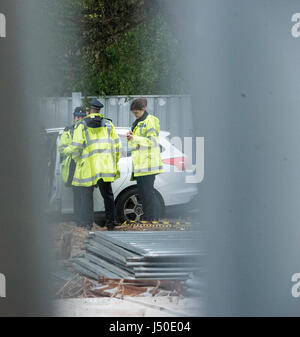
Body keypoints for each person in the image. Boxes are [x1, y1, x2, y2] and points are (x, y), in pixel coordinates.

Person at [63, 99, 121, 230]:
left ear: (88, 111)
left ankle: (87, 224)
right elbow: (117, 146)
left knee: (86, 197)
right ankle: (110, 224)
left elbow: (76, 147)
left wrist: (73, 157)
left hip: (88, 167)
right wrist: (114, 163)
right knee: (108, 196)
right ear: (99, 110)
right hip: (105, 167)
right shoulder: (108, 124)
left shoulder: (81, 125)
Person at [126, 98, 163, 221]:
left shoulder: (150, 121)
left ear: (143, 109)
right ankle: (147, 218)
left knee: (148, 194)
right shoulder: (137, 122)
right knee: (142, 194)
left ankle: (152, 219)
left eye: (137, 112)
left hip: (148, 164)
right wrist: (131, 139)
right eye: (133, 113)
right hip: (140, 165)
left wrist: (135, 138)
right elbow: (136, 145)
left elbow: (152, 142)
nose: (135, 115)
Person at [58, 107, 86, 226]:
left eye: (81, 117)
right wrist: (71, 150)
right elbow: (61, 148)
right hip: (72, 166)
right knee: (76, 195)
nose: (78, 119)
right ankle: (78, 220)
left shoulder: (87, 129)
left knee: (85, 195)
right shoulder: (67, 130)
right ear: (74, 117)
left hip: (84, 165)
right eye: (77, 117)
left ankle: (85, 220)